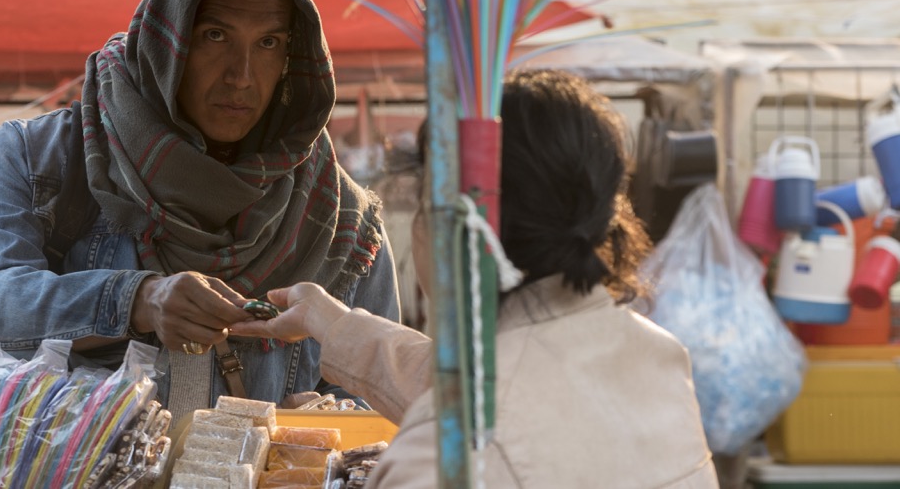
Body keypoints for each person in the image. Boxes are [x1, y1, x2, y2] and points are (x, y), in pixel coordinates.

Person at [0, 0, 401, 416]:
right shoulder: (40, 156)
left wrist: (322, 424)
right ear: (167, 40)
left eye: (269, 42)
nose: (242, 75)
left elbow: (380, 404)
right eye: (215, 35)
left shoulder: (340, 217)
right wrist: (137, 299)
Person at [228, 68, 719, 487]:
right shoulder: (657, 357)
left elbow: (484, 404)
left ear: (448, 227)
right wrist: (332, 324)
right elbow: (489, 381)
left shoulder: (449, 452)